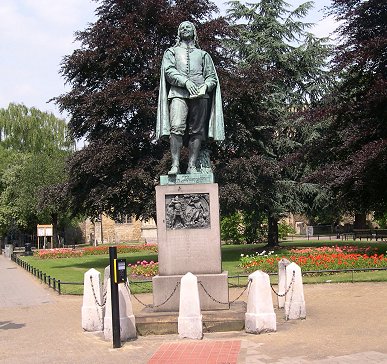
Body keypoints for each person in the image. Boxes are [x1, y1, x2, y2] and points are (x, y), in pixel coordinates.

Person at [156, 21, 224, 175]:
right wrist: (186, 82)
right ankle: (175, 165)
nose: (185, 29)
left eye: (188, 27)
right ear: (178, 33)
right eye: (182, 27)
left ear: (194, 32)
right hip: (178, 94)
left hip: (200, 96)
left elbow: (212, 77)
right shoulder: (171, 52)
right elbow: (169, 71)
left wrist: (205, 86)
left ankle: (191, 166)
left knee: (197, 131)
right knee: (176, 127)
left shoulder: (203, 55)